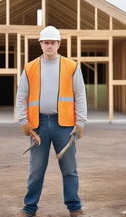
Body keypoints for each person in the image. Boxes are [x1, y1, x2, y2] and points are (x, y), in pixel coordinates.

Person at [17, 26, 88, 217]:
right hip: (38, 125)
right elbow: (21, 95)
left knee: (69, 170)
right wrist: (23, 120)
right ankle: (30, 208)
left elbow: (80, 95)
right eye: (46, 42)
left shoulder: (71, 66)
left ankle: (74, 208)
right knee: (36, 171)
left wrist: (80, 122)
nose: (49, 45)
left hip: (64, 125)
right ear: (40, 44)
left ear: (58, 44)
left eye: (52, 42)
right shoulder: (29, 68)